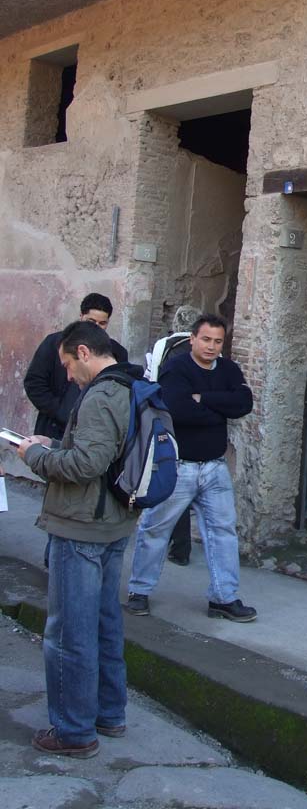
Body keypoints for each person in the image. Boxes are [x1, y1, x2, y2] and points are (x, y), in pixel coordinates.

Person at [18, 321, 143, 758]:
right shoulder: (132, 385)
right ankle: (110, 714)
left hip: (81, 527)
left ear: (85, 352)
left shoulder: (101, 395)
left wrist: (34, 455)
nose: (68, 376)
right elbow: (105, 453)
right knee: (106, 621)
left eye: (69, 365)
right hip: (114, 523)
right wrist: (52, 441)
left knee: (70, 630)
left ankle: (73, 731)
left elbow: (85, 465)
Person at [126, 314, 257, 622]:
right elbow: (179, 409)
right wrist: (218, 411)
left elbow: (244, 402)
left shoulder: (228, 369)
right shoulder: (177, 368)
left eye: (218, 341)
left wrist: (205, 399)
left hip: (214, 468)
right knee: (156, 529)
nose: (211, 347)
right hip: (179, 467)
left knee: (223, 532)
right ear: (193, 340)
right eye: (206, 340)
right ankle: (139, 592)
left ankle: (224, 598)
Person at [24, 293, 129, 442]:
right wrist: (60, 411)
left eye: (102, 323)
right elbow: (34, 383)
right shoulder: (54, 343)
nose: (96, 327)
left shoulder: (116, 352)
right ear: (81, 316)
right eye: (91, 321)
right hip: (52, 429)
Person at [144, 305, 201, 566]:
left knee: (168, 481)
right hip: (194, 423)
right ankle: (181, 547)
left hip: (165, 419)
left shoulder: (162, 347)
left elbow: (153, 379)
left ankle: (170, 544)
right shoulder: (199, 350)